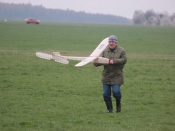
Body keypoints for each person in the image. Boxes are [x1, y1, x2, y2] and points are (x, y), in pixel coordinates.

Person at [93, 35, 127, 113]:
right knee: (106, 94)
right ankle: (110, 109)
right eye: (110, 42)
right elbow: (102, 60)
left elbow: (124, 60)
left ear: (116, 43)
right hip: (106, 76)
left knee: (116, 92)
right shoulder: (105, 51)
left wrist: (113, 61)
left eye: (113, 42)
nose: (111, 43)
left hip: (117, 75)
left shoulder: (121, 50)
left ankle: (118, 105)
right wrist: (96, 63)